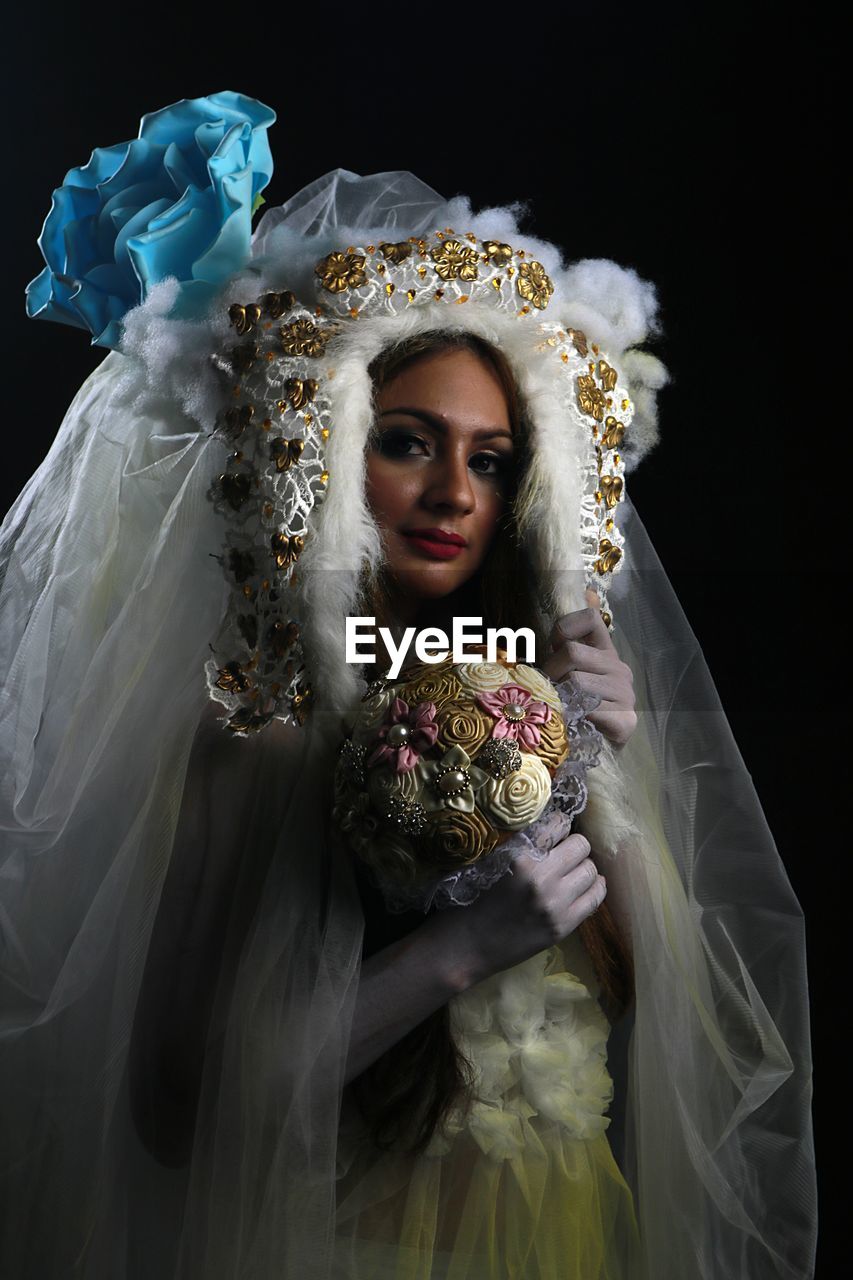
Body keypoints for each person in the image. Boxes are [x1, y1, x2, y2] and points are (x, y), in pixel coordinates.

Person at [0, 93, 816, 1279]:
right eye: (405, 439)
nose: (454, 494)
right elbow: (173, 1108)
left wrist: (606, 758)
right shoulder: (263, 727)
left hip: (562, 1238)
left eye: (490, 460)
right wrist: (455, 950)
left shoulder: (535, 695)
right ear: (326, 446)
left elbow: (652, 1007)